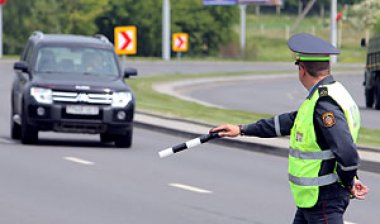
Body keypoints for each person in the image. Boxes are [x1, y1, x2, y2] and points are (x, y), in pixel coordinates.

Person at [210, 33, 368, 224]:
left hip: (323, 198)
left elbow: (346, 152)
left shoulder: (324, 103)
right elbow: (288, 122)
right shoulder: (333, 93)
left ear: (301, 69)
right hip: (313, 199)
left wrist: (349, 179)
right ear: (328, 67)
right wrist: (241, 129)